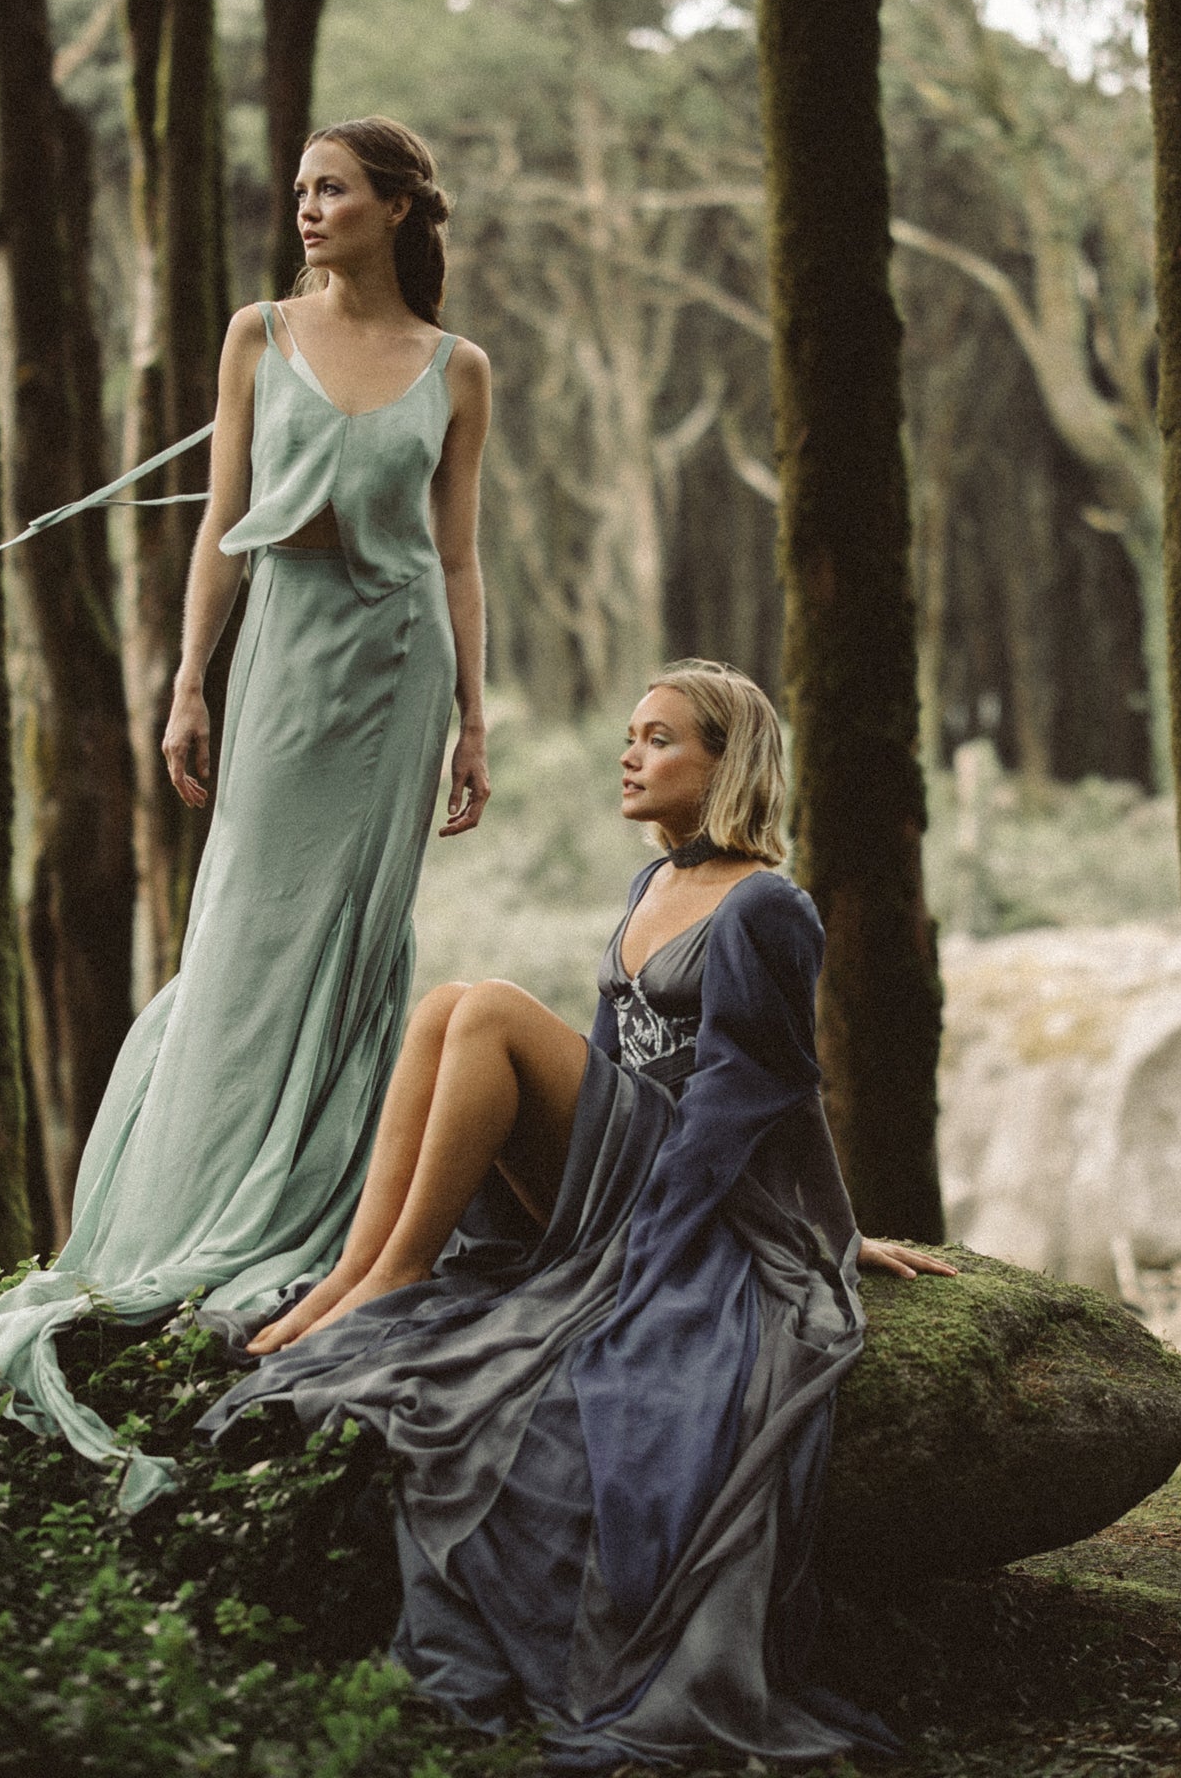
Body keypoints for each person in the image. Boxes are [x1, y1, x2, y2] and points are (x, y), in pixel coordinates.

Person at [205, 660, 954, 1769]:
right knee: (449, 1003)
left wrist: (814, 1233)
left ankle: (395, 1273)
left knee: (493, 1007)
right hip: (617, 1163)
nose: (630, 754)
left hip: (676, 1186)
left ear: (724, 761)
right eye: (629, 735)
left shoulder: (767, 907)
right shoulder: (653, 889)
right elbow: (606, 1064)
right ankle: (359, 1275)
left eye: (660, 738)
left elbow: (765, 1094)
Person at [0, 117, 494, 1507]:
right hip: (285, 663)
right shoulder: (257, 334)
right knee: (247, 932)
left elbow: (460, 555)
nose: (308, 209)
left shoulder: (458, 369)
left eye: (334, 191)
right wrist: (188, 680)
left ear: (395, 210)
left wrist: (476, 720)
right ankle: (194, 1204)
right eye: (304, 190)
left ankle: (327, 1207)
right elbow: (221, 527)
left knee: (352, 943)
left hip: (401, 675)